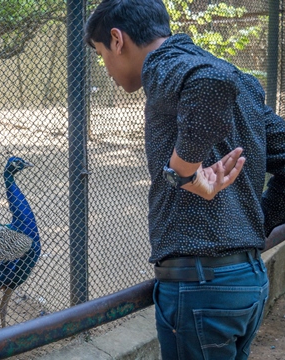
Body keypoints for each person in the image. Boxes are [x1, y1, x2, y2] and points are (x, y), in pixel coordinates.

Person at [85, 0, 285, 359]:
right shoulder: (242, 80)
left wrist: (184, 170)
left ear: (117, 39)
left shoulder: (163, 65)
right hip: (248, 282)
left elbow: (211, 83)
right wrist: (257, 226)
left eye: (102, 53)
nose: (107, 67)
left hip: (200, 288)